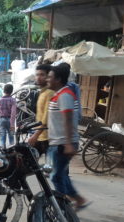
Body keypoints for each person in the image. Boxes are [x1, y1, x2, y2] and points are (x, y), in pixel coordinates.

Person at [46, 65, 90, 210]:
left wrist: (69, 143)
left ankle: (64, 206)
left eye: (50, 77)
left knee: (56, 176)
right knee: (60, 175)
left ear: (58, 79)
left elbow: (68, 119)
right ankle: (77, 200)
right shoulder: (58, 94)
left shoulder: (65, 95)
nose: (47, 79)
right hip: (58, 142)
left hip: (62, 143)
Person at [28, 64, 54, 157]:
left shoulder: (50, 93)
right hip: (40, 136)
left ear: (48, 77)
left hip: (48, 138)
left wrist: (35, 135)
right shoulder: (42, 92)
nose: (38, 77)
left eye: (42, 75)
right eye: (37, 74)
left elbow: (46, 118)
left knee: (52, 168)